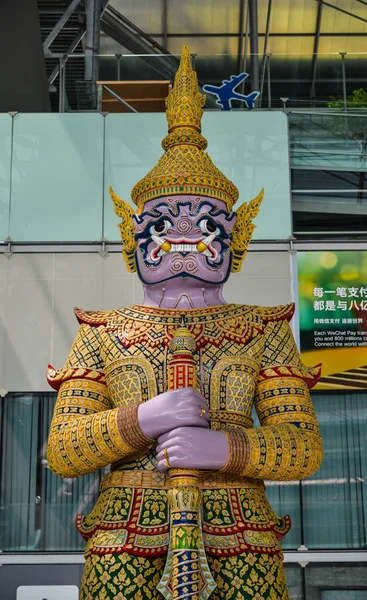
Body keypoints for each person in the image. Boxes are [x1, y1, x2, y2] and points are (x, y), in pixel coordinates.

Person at [46, 47, 322, 600]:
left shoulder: (263, 328)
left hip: (239, 531)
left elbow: (302, 447)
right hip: (125, 533)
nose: (184, 237)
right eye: (165, 223)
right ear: (134, 236)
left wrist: (223, 450)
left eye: (205, 222)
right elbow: (64, 450)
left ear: (235, 237)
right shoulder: (104, 330)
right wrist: (142, 418)